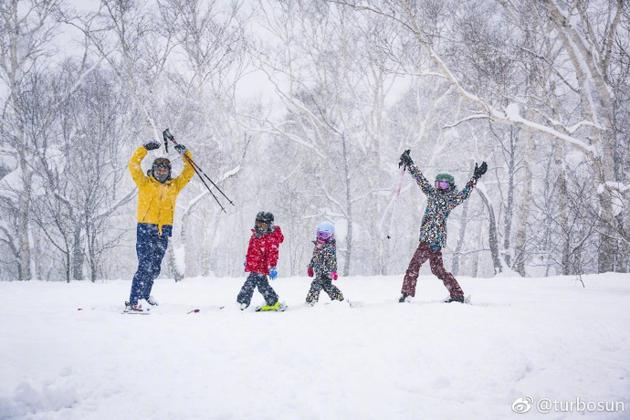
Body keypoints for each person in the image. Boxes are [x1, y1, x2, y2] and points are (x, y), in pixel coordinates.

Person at [398, 149, 487, 303]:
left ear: (450, 185)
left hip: (430, 239)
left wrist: (475, 177)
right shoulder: (432, 194)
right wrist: (410, 163)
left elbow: (465, 193)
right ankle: (457, 294)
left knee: (414, 266)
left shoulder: (450, 200)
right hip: (434, 240)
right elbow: (420, 179)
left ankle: (407, 294)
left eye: (443, 184)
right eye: (438, 183)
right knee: (437, 270)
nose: (440, 186)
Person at [124, 140, 194, 312]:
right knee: (144, 266)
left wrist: (185, 154)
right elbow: (133, 164)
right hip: (145, 230)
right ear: (153, 170)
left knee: (155, 268)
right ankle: (133, 300)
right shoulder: (144, 183)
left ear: (169, 171)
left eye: (164, 169)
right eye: (158, 169)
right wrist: (144, 149)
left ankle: (145, 295)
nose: (161, 171)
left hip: (163, 231)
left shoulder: (174, 186)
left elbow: (190, 171)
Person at [237, 211, 285, 311]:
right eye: (258, 224)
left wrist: (272, 267)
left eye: (263, 225)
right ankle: (272, 301)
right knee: (261, 285)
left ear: (269, 225)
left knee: (250, 284)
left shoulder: (271, 238)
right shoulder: (256, 234)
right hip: (255, 265)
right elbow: (251, 249)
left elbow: (273, 254)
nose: (260, 227)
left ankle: (241, 302)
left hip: (261, 266)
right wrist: (248, 260)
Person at [305, 221, 344, 306]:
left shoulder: (330, 248)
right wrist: (310, 267)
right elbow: (314, 257)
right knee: (327, 286)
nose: (322, 237)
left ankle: (311, 301)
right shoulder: (318, 246)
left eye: (325, 235)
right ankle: (339, 298)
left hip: (326, 272)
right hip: (319, 271)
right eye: (320, 234)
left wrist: (333, 272)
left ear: (330, 236)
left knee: (316, 285)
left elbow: (333, 260)